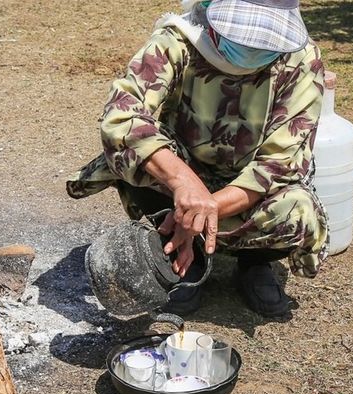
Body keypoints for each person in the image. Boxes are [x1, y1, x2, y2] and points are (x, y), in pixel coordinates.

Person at [68, 0, 328, 318]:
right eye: (242, 36)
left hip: (245, 186)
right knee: (134, 156)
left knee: (296, 206)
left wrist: (194, 217)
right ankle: (182, 261)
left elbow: (279, 164)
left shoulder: (300, 60)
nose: (251, 47)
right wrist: (183, 181)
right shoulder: (177, 42)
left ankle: (255, 262)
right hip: (183, 167)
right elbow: (121, 118)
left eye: (263, 40)